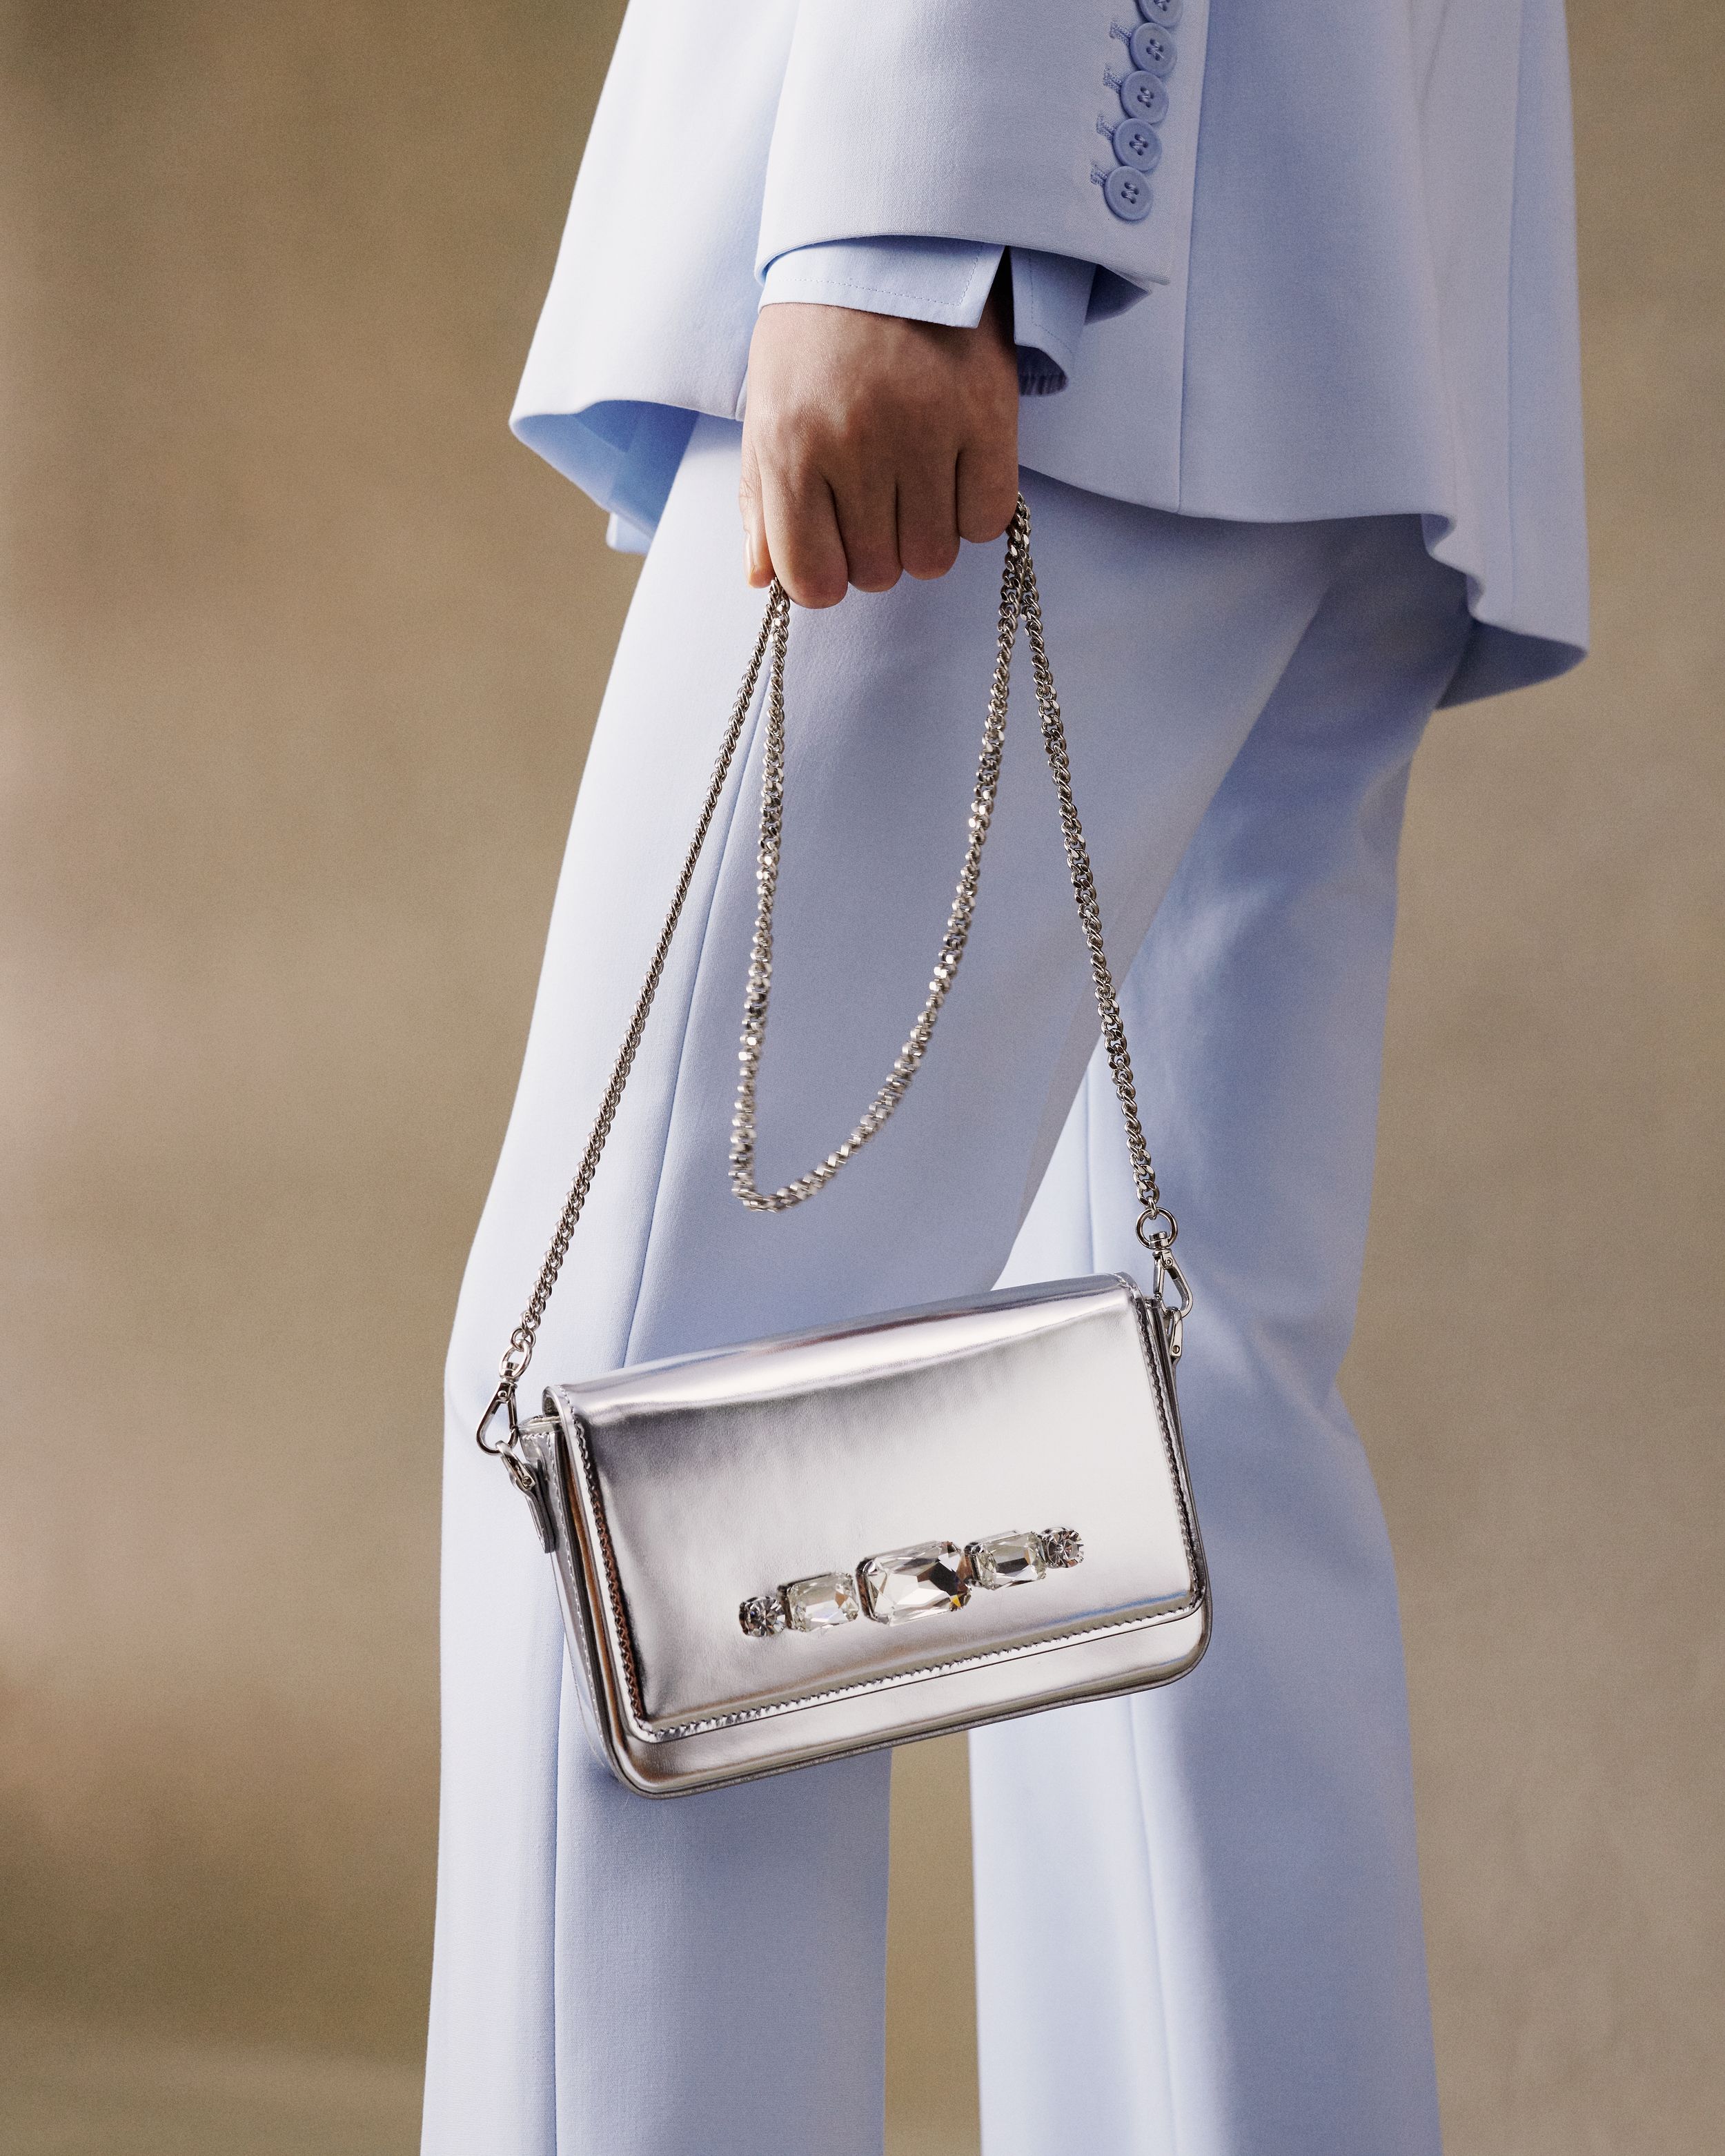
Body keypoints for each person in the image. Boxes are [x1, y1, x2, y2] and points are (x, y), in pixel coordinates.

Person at [421, 3, 1587, 2152]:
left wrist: (919, 196)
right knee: (1160, 1438)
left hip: (1048, 254)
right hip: (1319, 262)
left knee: (645, 1478)